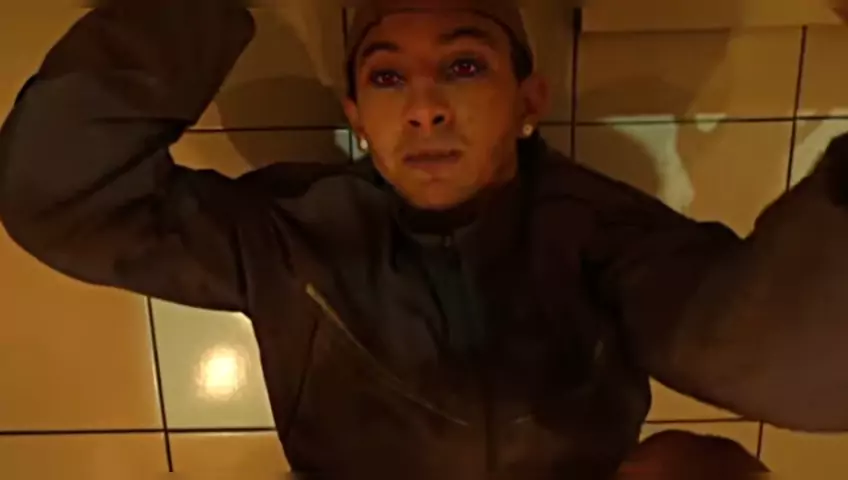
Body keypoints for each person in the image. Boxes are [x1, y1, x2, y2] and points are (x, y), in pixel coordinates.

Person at [0, 0, 845, 477]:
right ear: (358, 117)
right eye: (387, 76)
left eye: (464, 66)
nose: (424, 107)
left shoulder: (602, 232)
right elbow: (60, 194)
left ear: (528, 100)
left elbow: (785, 367)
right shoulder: (293, 231)